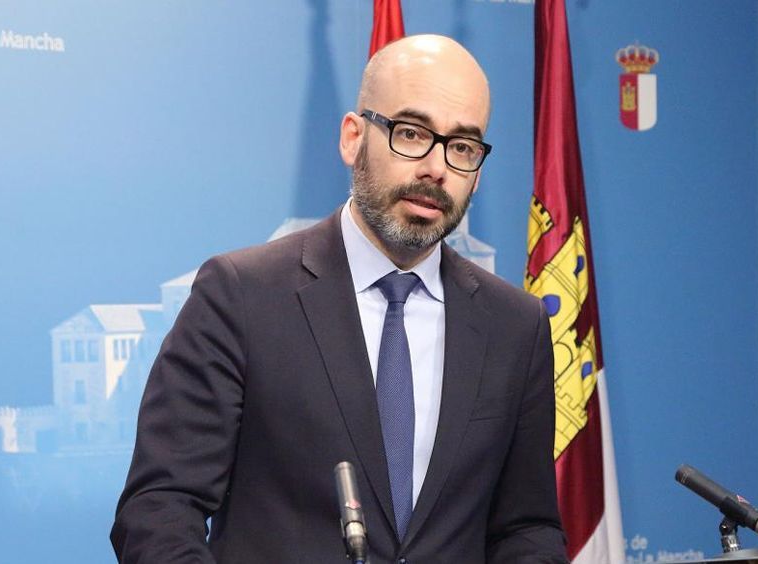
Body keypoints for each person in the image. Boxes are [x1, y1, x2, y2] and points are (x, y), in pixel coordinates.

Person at [111, 34, 567, 563]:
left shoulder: (515, 325)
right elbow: (161, 509)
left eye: (462, 146)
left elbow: (526, 528)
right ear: (353, 138)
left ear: (478, 172)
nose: (436, 167)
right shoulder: (241, 295)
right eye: (411, 133)